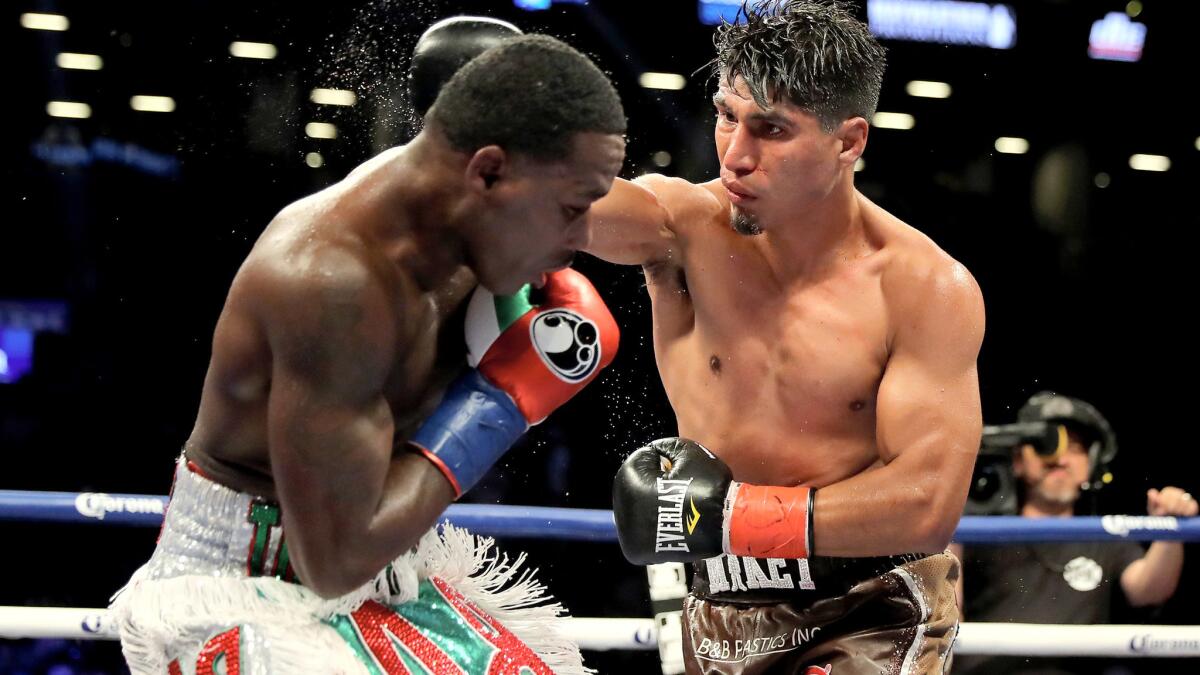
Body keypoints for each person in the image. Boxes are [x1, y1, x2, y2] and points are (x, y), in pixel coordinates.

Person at [108, 32, 627, 675]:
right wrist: (500, 402)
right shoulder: (330, 283)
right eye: (572, 211)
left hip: (393, 571)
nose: (580, 239)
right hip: (243, 583)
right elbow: (333, 560)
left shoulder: (471, 223)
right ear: (488, 171)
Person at [587, 1, 985, 672]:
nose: (735, 156)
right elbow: (558, 209)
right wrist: (489, 123)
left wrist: (733, 515)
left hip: (869, 602)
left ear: (849, 141)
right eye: (726, 116)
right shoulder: (681, 228)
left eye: (771, 128)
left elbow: (926, 502)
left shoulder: (921, 286)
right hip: (722, 602)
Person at [952, 392, 1198, 675]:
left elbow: (1149, 590)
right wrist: (949, 529)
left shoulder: (1105, 536)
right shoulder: (977, 531)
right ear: (1018, 460)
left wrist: (1169, 527)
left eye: (1075, 447)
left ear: (1090, 466)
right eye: (1046, 444)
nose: (1060, 458)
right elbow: (945, 613)